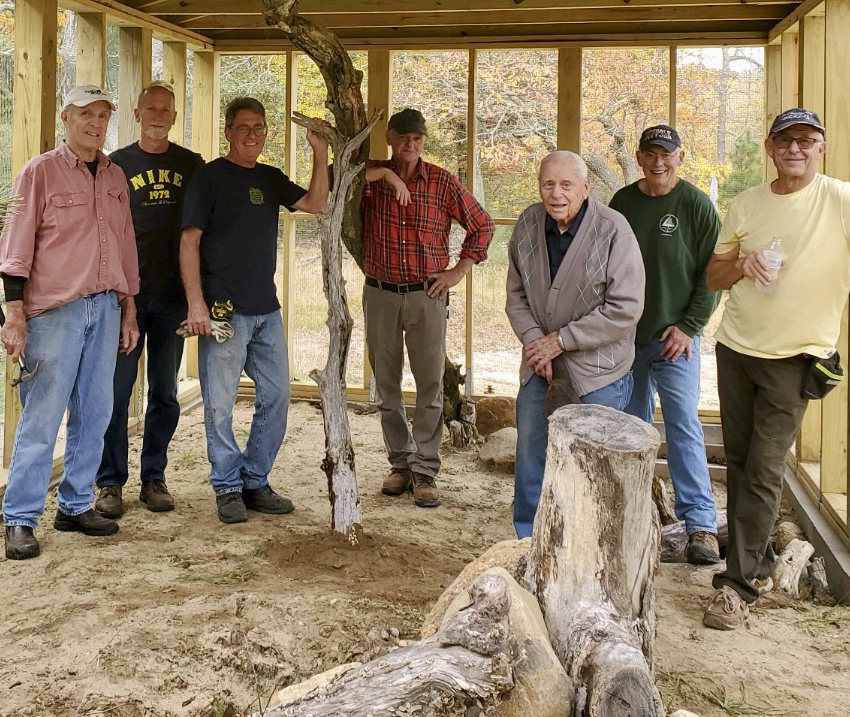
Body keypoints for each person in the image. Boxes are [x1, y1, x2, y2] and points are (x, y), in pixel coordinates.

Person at [703, 107, 850, 630]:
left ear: (821, 148)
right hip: (736, 349)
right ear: (770, 148)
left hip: (795, 360)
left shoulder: (843, 200)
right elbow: (714, 276)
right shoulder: (747, 204)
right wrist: (743, 264)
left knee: (763, 467)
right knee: (739, 462)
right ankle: (756, 562)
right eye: (786, 141)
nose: (796, 150)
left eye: (807, 141)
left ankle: (735, 588)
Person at [0, 84, 140, 561]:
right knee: (42, 416)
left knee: (96, 412)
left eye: (103, 115)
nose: (95, 123)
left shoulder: (116, 176)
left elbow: (124, 247)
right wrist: (14, 317)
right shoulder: (39, 173)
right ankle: (19, 518)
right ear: (65, 118)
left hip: (106, 308)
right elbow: (15, 247)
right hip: (55, 311)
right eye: (86, 115)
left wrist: (128, 308)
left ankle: (76, 505)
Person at [179, 96, 328, 524]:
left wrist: (319, 152)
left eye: (259, 128)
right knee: (220, 405)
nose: (252, 135)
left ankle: (254, 479)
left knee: (279, 394)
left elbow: (315, 203)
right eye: (243, 127)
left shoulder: (270, 177)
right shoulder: (209, 179)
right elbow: (189, 241)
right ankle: (226, 486)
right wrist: (196, 304)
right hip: (223, 311)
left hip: (266, 309)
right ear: (228, 132)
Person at [506, 150, 645, 538]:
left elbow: (626, 308)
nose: (557, 194)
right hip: (540, 361)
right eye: (548, 184)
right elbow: (516, 294)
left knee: (593, 461)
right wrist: (537, 342)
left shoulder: (614, 230)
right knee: (531, 453)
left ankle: (590, 543)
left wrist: (562, 341)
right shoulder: (528, 223)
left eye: (567, 185)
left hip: (598, 370)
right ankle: (528, 540)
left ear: (586, 188)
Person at [361, 107, 494, 508]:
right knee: (386, 384)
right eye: (403, 138)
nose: (410, 145)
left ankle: (425, 469)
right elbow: (335, 181)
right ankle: (399, 463)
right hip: (380, 293)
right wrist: (385, 175)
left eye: (417, 139)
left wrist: (458, 271)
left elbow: (482, 224)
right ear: (390, 138)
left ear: (423, 141)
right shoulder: (372, 175)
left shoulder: (440, 181)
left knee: (430, 386)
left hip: (427, 295)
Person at [609, 125, 722, 565]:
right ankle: (633, 517)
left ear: (680, 158)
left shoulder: (695, 205)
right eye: (651, 154)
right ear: (639, 158)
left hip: (676, 340)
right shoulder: (623, 202)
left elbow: (712, 274)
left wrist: (689, 327)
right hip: (627, 340)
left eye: (667, 154)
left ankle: (701, 526)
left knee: (682, 427)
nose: (659, 162)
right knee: (632, 429)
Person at [94, 82, 206, 519]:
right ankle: (109, 482)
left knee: (164, 392)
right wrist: (122, 298)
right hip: (125, 301)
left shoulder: (190, 165)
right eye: (151, 108)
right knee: (117, 393)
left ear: (174, 118)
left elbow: (202, 230)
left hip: (174, 298)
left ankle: (153, 476)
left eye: (166, 109)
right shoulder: (116, 165)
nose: (158, 115)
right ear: (137, 114)